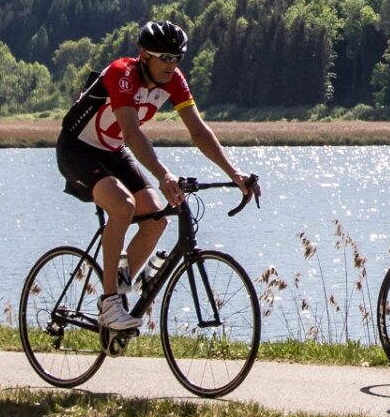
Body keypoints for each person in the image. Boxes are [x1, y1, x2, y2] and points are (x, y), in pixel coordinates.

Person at [57, 20, 258, 334]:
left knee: (155, 220)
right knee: (123, 206)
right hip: (77, 149)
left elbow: (198, 130)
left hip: (112, 150)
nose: (171, 65)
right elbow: (133, 134)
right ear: (144, 55)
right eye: (164, 57)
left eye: (176, 58)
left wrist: (233, 173)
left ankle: (119, 294)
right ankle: (110, 302)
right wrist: (163, 175)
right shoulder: (121, 73)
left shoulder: (174, 81)